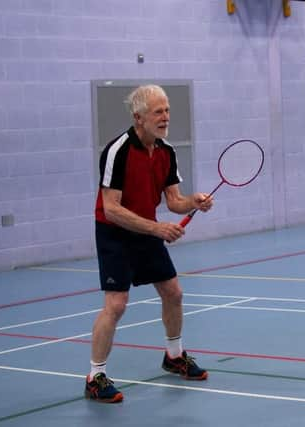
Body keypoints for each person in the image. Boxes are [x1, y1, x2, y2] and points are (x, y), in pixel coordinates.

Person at [85, 85, 213, 403]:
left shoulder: (166, 151)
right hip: (114, 232)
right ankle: (95, 376)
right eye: (158, 111)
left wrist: (194, 201)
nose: (166, 117)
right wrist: (157, 229)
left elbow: (173, 201)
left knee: (173, 293)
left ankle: (174, 355)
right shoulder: (118, 151)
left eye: (167, 110)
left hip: (147, 230)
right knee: (116, 304)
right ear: (138, 117)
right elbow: (112, 208)